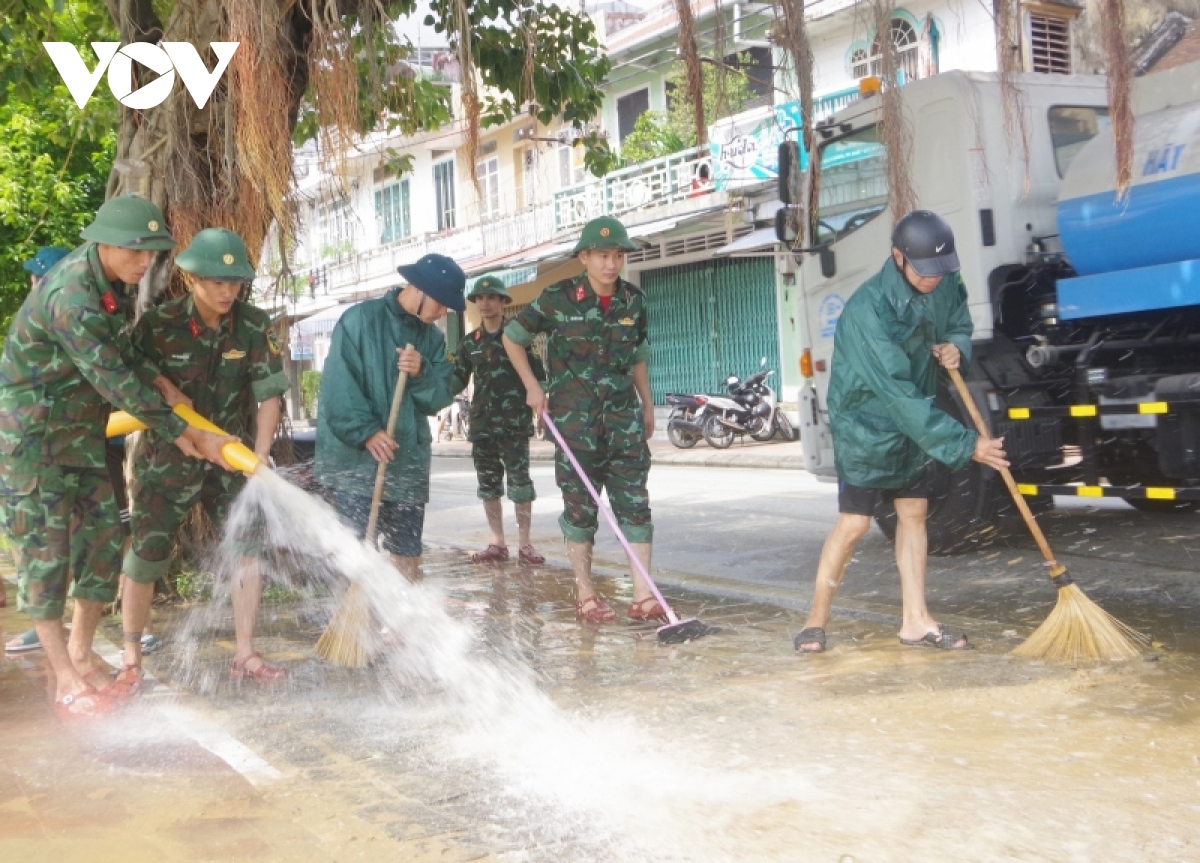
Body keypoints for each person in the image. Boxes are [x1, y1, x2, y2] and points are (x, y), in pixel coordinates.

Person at [0, 195, 234, 718]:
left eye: (152, 252)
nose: (146, 262)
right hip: (32, 442)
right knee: (46, 556)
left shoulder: (111, 288)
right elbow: (113, 377)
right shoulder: (72, 296)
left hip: (80, 436)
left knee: (103, 540)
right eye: (137, 251)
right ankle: (63, 675)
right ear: (104, 242)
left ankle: (82, 655)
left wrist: (166, 385)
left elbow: (127, 353)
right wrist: (180, 429)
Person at [793, 210, 1009, 654]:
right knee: (854, 524)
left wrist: (956, 346)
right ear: (898, 257)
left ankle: (915, 620)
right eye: (924, 271)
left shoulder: (945, 278)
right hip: (867, 423)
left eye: (940, 270)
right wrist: (967, 444)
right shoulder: (867, 310)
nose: (933, 279)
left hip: (916, 419)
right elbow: (896, 394)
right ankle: (815, 620)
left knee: (913, 514)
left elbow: (958, 322)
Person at [117, 228, 291, 689]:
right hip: (171, 452)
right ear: (191, 278)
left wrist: (257, 457)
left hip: (229, 454)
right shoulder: (158, 325)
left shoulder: (253, 325)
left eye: (234, 282)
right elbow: (136, 382)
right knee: (146, 552)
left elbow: (269, 395)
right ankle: (131, 656)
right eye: (216, 281)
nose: (227, 291)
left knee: (247, 550)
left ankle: (246, 653)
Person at [502, 216, 661, 624]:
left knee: (635, 505)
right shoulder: (556, 298)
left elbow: (639, 355)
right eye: (603, 255)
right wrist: (532, 387)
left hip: (623, 421)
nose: (612, 264)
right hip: (575, 426)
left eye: (618, 255)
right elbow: (513, 338)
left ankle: (643, 595)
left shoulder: (633, 300)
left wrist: (647, 405)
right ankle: (586, 593)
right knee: (580, 510)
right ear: (585, 257)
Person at [315, 253, 463, 580]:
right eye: (442, 303)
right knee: (354, 550)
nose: (444, 311)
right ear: (420, 289)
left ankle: (400, 626)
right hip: (355, 461)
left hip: (406, 458)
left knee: (406, 549)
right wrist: (367, 432)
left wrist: (422, 372)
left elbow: (440, 397)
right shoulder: (358, 321)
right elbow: (338, 388)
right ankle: (356, 625)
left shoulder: (433, 339)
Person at [451, 275, 546, 566]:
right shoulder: (470, 343)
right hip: (482, 425)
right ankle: (497, 542)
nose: (485, 303)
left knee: (520, 484)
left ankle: (525, 544)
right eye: (480, 298)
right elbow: (455, 380)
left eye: (491, 297)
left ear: (503, 301)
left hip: (514, 422)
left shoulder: (517, 338)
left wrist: (543, 408)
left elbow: (538, 376)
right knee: (488, 485)